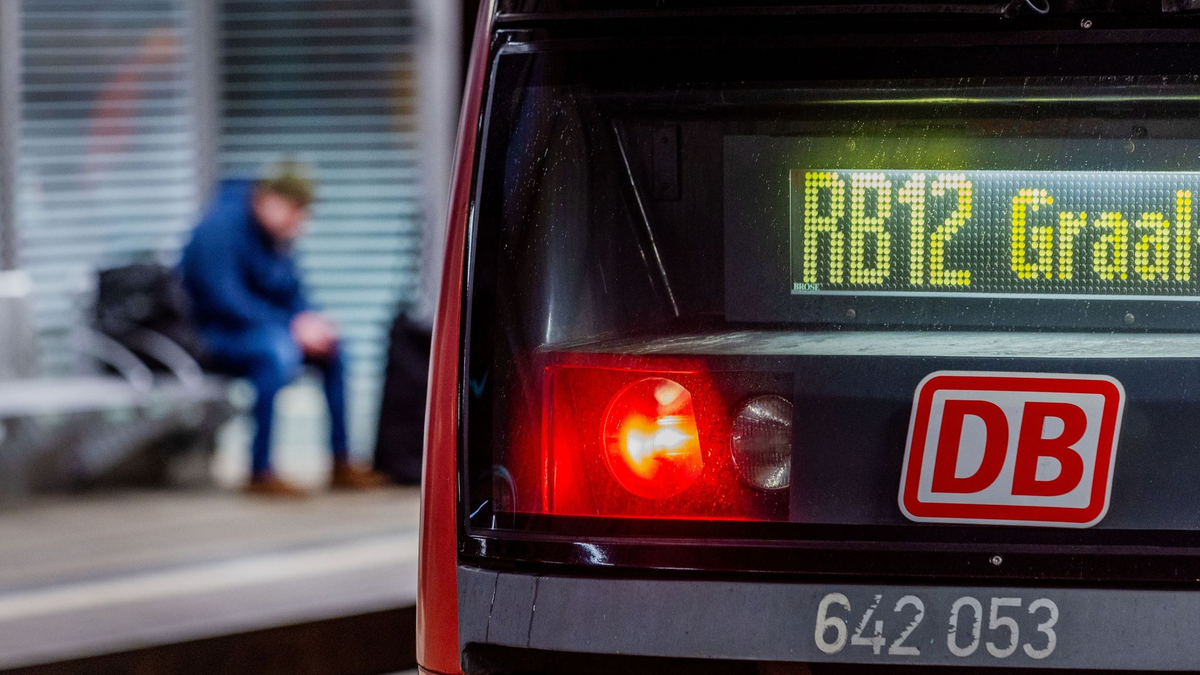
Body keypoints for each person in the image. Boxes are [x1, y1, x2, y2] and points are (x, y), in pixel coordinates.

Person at [180, 162, 387, 497]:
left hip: (263, 331)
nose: (298, 224)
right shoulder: (219, 229)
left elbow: (293, 293)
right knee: (274, 354)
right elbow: (225, 301)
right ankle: (260, 470)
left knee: (333, 349)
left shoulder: (275, 237)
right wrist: (291, 328)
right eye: (294, 212)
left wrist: (311, 322)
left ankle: (340, 461)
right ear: (269, 200)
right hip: (211, 336)